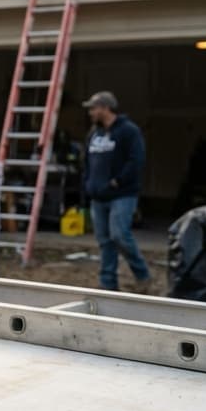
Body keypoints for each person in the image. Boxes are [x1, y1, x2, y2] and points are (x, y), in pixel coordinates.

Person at [82, 90, 152, 293]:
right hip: (98, 195)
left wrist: (117, 181)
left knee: (120, 235)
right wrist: (88, 184)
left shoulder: (129, 131)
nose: (91, 113)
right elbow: (87, 161)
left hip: (122, 194)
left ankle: (142, 275)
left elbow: (136, 160)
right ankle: (108, 283)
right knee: (105, 241)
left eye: (93, 108)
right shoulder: (94, 133)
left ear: (105, 108)